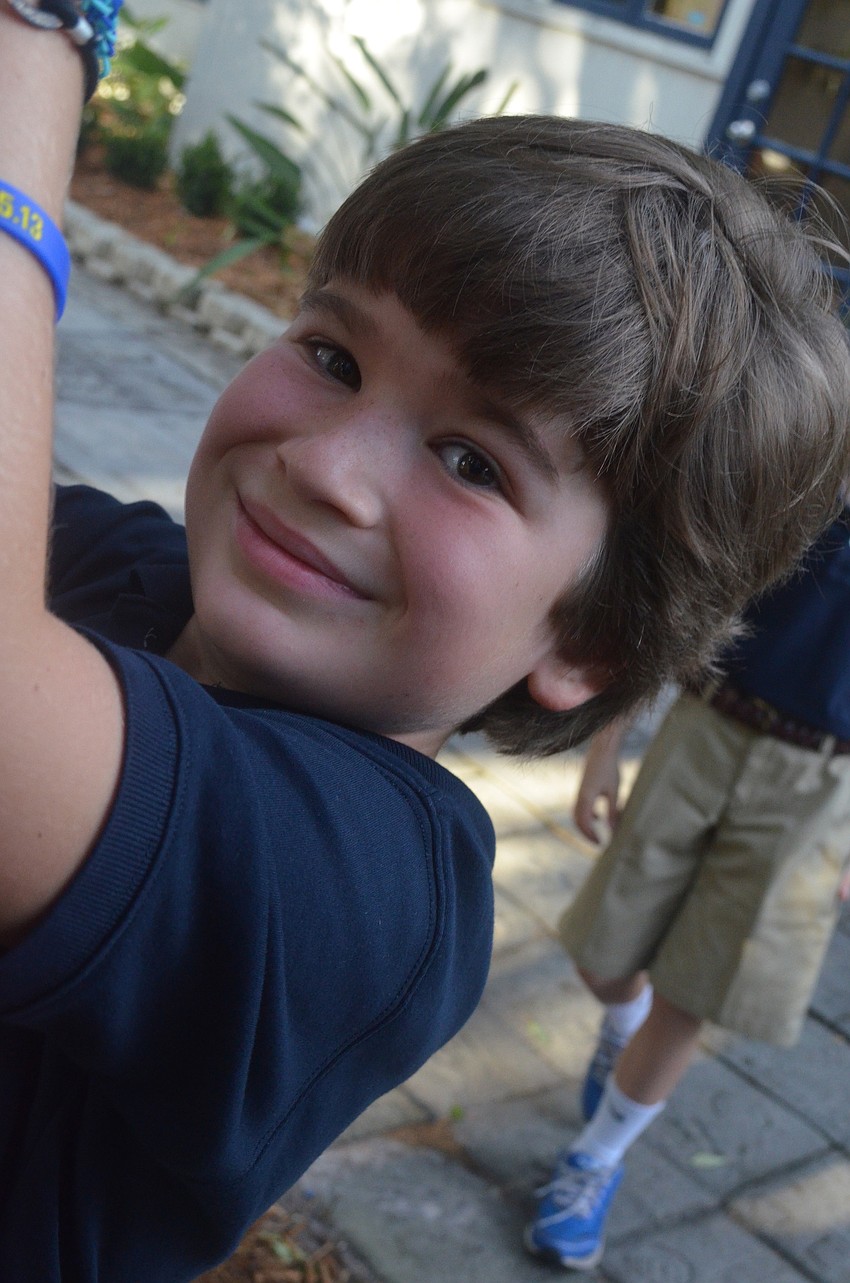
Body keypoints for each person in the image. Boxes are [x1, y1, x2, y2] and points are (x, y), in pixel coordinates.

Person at [3, 6, 850, 1281]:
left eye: (471, 459)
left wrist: (38, 45)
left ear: (593, 640)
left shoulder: (383, 892)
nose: (324, 465)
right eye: (334, 354)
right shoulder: (134, 568)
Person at [525, 509, 850, 1272]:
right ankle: (620, 1027)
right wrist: (607, 743)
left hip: (819, 784)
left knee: (692, 993)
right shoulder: (822, 447)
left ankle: (594, 1159)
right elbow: (688, 593)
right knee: (603, 960)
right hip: (707, 726)